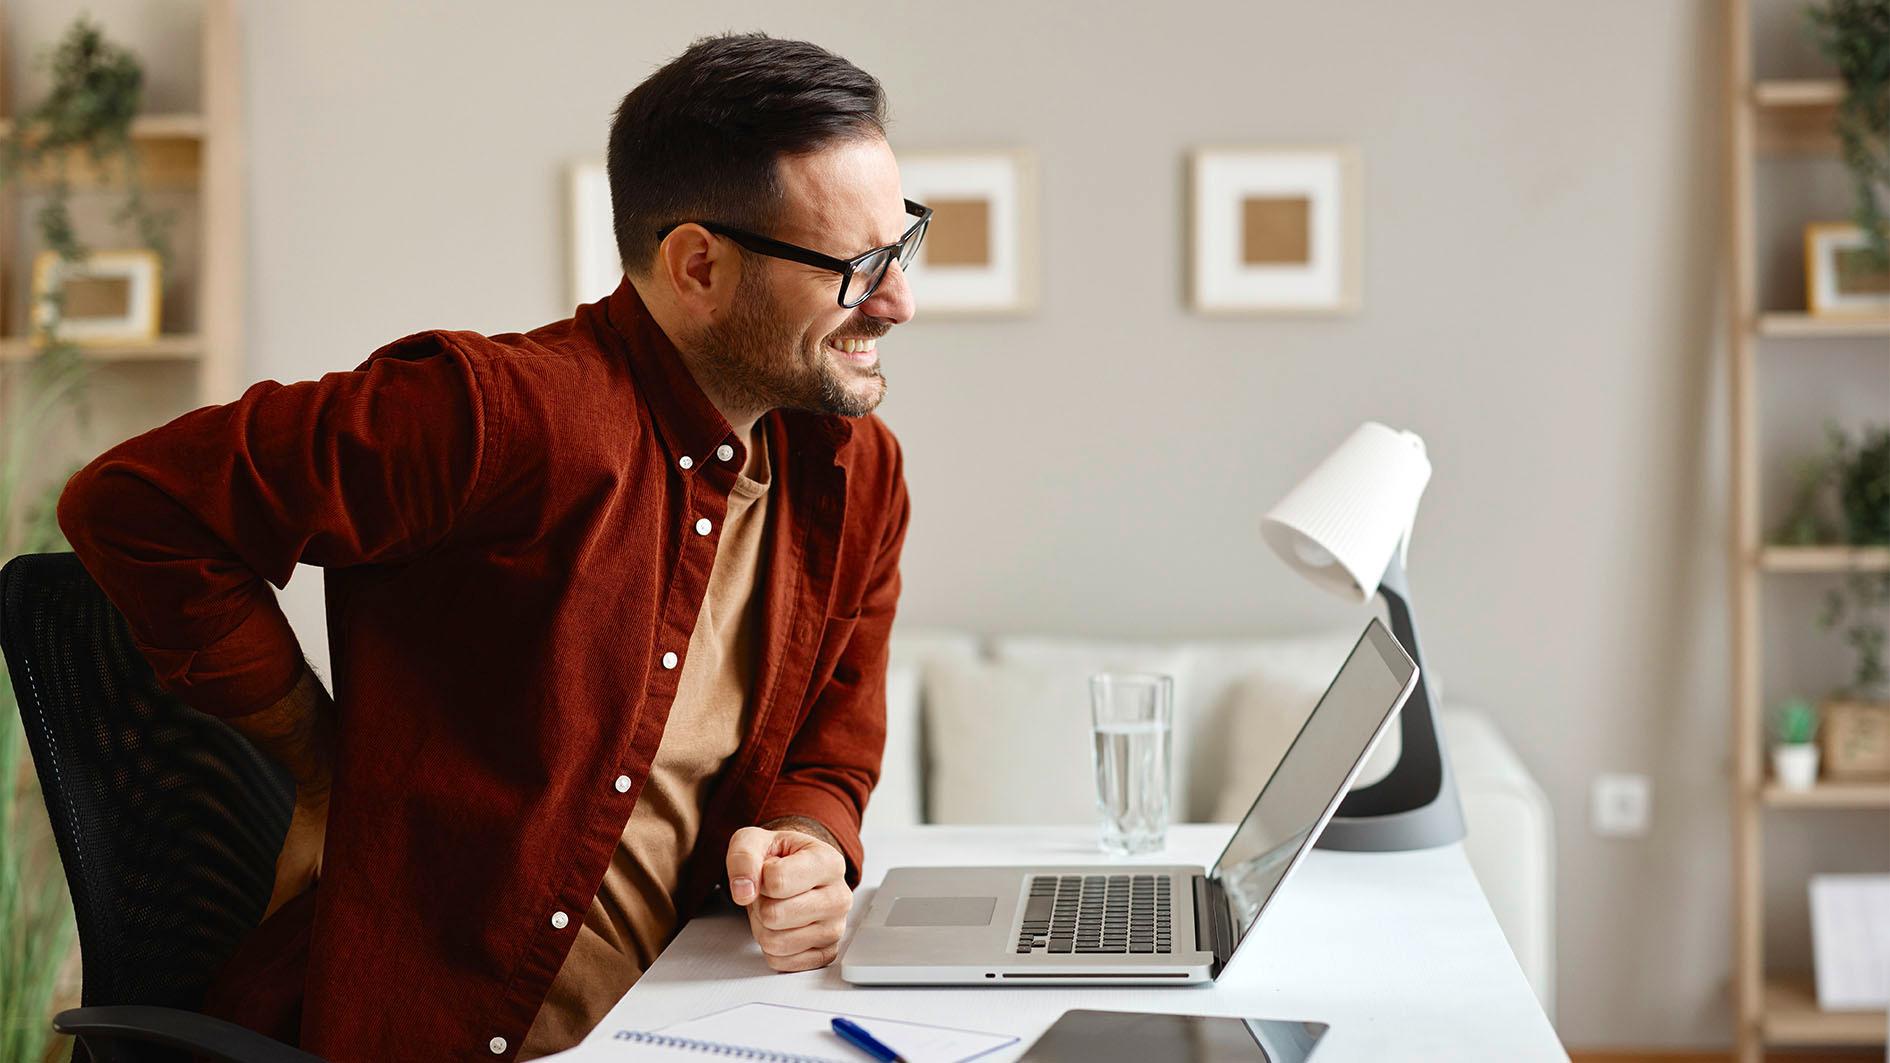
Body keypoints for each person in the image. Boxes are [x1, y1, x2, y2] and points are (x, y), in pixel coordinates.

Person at [55, 31, 921, 1061]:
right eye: (858, 268)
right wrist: (315, 758)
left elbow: (832, 743)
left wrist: (809, 841)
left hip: (689, 1019)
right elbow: (134, 500)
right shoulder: (494, 416)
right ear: (699, 265)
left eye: (900, 246)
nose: (899, 302)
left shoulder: (855, 475)